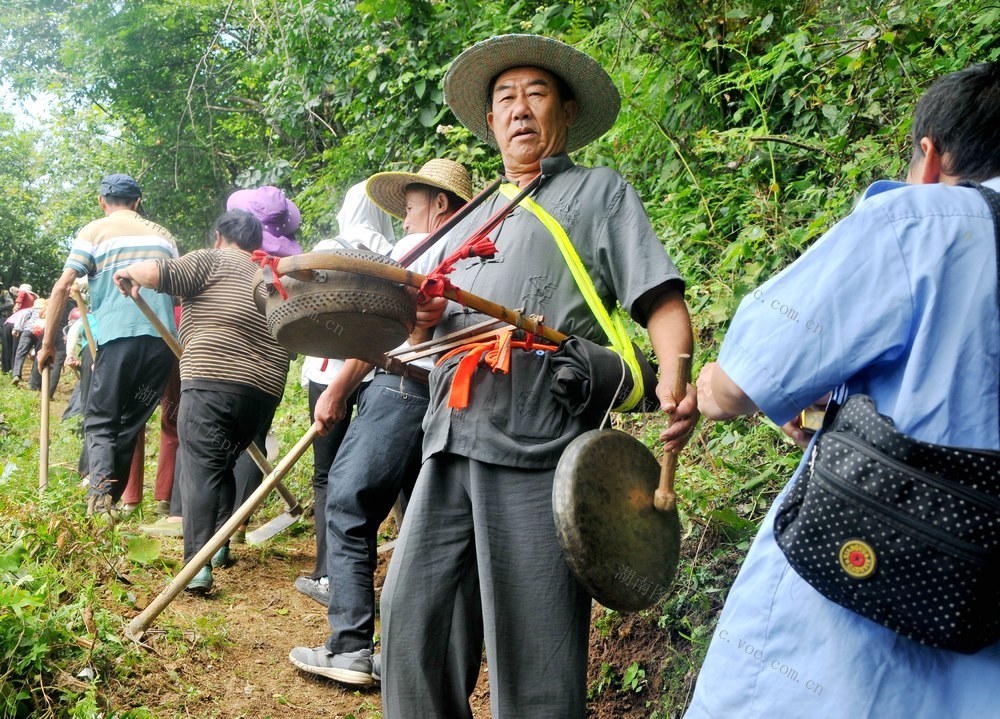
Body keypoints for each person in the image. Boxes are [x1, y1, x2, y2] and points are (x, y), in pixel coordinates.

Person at [376, 35, 698, 718]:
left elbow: (661, 304)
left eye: (536, 93)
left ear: (567, 110)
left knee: (536, 653)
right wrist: (426, 317)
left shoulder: (597, 193)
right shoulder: (470, 219)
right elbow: (424, 337)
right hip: (449, 439)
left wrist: (675, 374)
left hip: (540, 444)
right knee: (411, 622)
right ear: (489, 123)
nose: (519, 109)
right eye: (505, 99)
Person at [687, 62, 1000, 719]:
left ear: (930, 154)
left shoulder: (924, 222)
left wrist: (709, 384)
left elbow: (740, 382)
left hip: (836, 652)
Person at [289, 158, 474, 685]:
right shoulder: (484, 250)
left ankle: (348, 647)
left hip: (403, 388)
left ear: (439, 203)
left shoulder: (413, 254)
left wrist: (338, 391)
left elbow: (381, 335)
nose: (407, 216)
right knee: (422, 528)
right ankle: (406, 656)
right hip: (452, 399)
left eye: (412, 204)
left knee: (348, 503)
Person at [113, 210, 291, 594]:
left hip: (214, 379)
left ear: (218, 236)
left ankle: (197, 564)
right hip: (263, 392)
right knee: (221, 462)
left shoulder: (212, 260)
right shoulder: (268, 277)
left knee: (199, 467)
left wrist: (128, 272)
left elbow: (158, 272)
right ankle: (219, 544)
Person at [37, 173, 178, 517]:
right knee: (129, 422)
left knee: (101, 419)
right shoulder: (164, 236)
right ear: (138, 201)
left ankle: (99, 496)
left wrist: (47, 344)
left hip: (119, 339)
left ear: (102, 202)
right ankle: (107, 504)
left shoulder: (94, 231)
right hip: (162, 343)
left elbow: (62, 287)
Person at [293, 180, 397, 606]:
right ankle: (355, 571)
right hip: (377, 372)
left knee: (326, 472)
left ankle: (327, 573)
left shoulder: (328, 246)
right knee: (363, 476)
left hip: (327, 371)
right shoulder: (392, 253)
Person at [225, 185, 303, 541]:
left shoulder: (237, 257)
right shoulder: (292, 263)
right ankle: (238, 522)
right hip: (273, 362)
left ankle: (219, 527)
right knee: (254, 436)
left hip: (230, 356)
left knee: (219, 435)